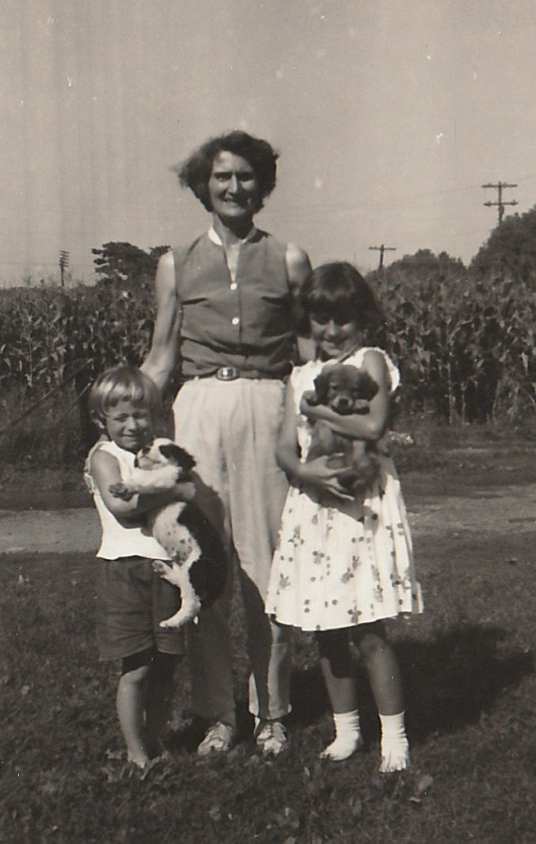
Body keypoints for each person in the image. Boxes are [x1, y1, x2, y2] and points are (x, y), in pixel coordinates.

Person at [141, 130, 312, 758]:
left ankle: (273, 712)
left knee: (268, 568)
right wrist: (123, 417)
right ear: (203, 187)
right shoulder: (176, 263)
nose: (233, 187)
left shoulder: (290, 259)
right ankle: (219, 714)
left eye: (245, 176)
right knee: (205, 566)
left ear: (261, 184)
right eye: (221, 178)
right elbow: (162, 357)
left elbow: (310, 358)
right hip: (200, 412)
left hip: (270, 409)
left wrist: (324, 433)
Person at [266, 262, 423, 773]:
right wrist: (306, 474)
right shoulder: (298, 377)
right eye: (321, 320)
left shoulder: (371, 361)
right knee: (325, 628)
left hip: (361, 510)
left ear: (363, 320)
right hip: (315, 509)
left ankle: (394, 735)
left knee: (369, 629)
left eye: (344, 320)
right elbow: (285, 450)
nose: (332, 332)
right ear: (307, 321)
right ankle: (346, 729)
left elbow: (374, 422)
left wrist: (321, 412)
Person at [84, 364, 194, 771]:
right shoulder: (104, 457)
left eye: (141, 415)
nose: (132, 425)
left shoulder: (156, 453)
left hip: (166, 568)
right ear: (103, 420)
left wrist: (176, 485)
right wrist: (171, 487)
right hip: (124, 569)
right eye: (121, 417)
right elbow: (124, 510)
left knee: (167, 661)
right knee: (136, 665)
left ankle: (155, 736)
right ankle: (136, 750)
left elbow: (186, 486)